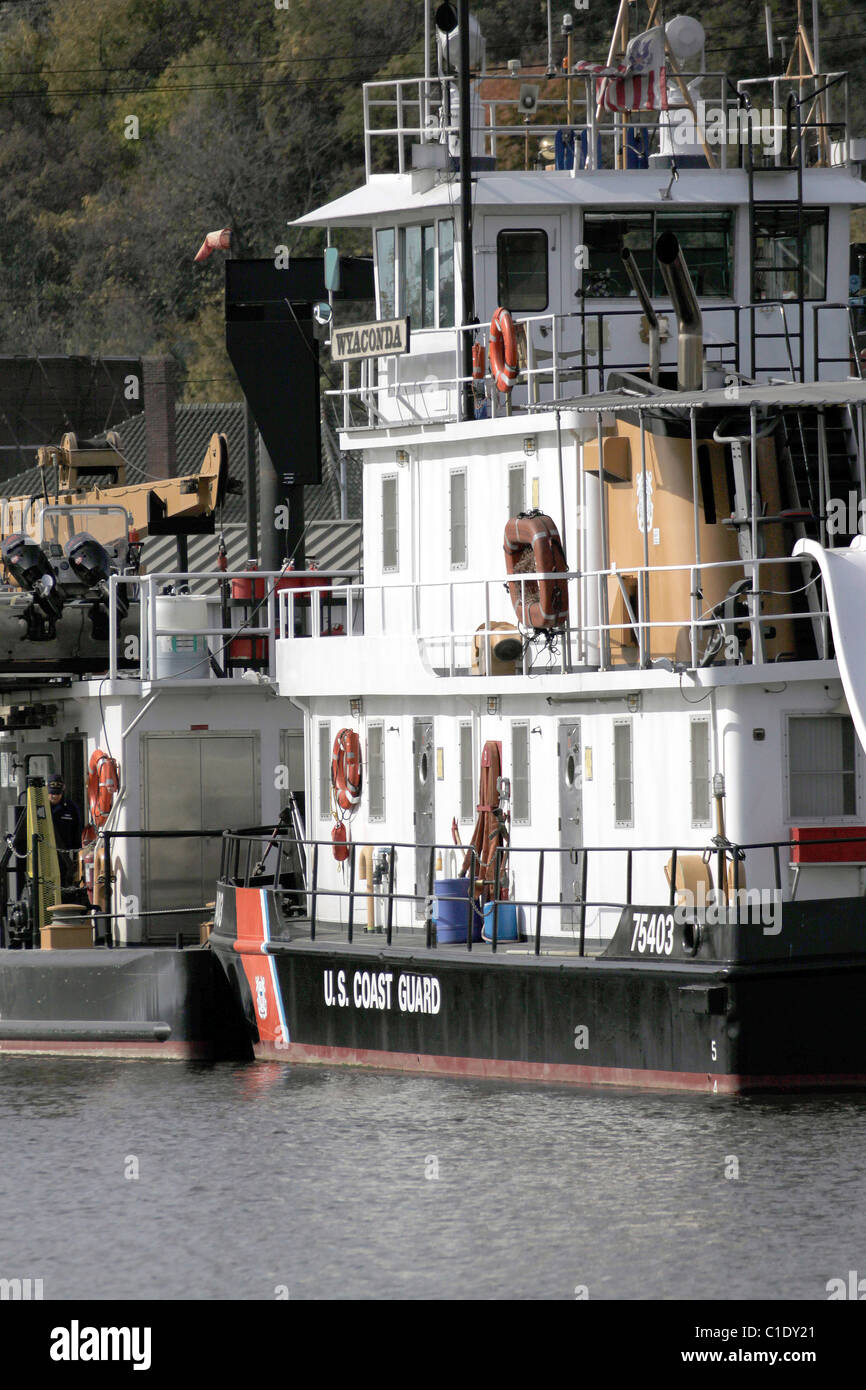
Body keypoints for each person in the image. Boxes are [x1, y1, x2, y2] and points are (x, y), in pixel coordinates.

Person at [47, 776, 83, 888]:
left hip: (64, 855)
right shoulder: (41, 807)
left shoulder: (71, 808)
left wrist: (77, 857)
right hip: (45, 854)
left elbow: (77, 831)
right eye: (52, 793)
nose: (54, 796)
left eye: (57, 793)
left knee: (64, 883)